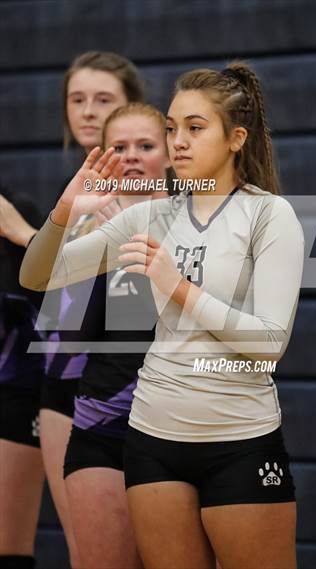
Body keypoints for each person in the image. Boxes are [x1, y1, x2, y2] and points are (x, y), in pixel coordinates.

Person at [20, 61, 305, 569]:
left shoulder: (269, 215)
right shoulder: (149, 214)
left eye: (195, 129)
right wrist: (65, 210)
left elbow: (269, 343)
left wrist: (178, 287)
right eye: (172, 128)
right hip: (153, 438)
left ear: (236, 137)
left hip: (238, 436)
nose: (179, 141)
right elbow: (38, 277)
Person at [0, 51, 143, 569]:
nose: (88, 112)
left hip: (132, 395)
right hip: (63, 385)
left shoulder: (152, 194)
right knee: (88, 554)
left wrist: (22, 232)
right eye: (76, 100)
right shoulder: (76, 196)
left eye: (103, 100)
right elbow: (53, 299)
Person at [62, 102, 170, 569]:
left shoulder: (202, 218)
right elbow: (66, 327)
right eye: (119, 148)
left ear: (171, 152)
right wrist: (82, 222)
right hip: (101, 419)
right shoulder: (88, 220)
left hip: (180, 423)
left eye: (144, 146)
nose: (130, 157)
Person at [0, 189, 44, 569]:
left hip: (15, 388)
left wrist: (24, 234)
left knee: (9, 552)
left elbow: (56, 310)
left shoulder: (17, 210)